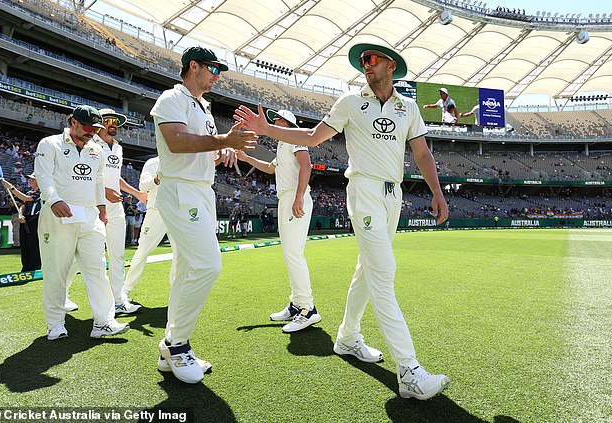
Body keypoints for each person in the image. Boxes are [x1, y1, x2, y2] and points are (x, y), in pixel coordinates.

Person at [234, 42, 450, 400]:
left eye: (373, 59)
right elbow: (311, 137)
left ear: (391, 66)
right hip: (363, 191)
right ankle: (409, 371)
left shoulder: (408, 107)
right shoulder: (351, 102)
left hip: (393, 194)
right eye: (363, 60)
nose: (366, 64)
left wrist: (437, 192)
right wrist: (266, 129)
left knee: (367, 270)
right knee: (383, 273)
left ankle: (348, 338)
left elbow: (423, 153)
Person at [150, 46, 257, 384]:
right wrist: (223, 139)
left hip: (199, 190)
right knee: (207, 264)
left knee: (185, 268)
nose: (217, 76)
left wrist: (221, 148)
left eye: (219, 70)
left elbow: (200, 147)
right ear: (192, 66)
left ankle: (172, 348)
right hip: (182, 190)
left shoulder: (204, 107)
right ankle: (176, 344)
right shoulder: (173, 97)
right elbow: (177, 143)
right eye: (212, 68)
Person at [34, 105, 129, 340]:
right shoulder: (50, 144)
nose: (92, 132)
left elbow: (98, 182)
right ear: (73, 122)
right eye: (88, 127)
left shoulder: (96, 149)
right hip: (59, 215)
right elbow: (43, 175)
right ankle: (55, 324)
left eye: (96, 128)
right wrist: (54, 200)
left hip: (89, 217)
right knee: (56, 271)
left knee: (97, 270)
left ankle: (104, 322)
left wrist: (102, 210)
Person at [237, 109, 320, 332]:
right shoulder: (283, 143)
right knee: (290, 253)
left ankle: (308, 308)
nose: (274, 122)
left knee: (293, 254)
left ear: (289, 124)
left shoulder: (295, 139)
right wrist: (247, 159)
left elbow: (306, 166)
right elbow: (270, 168)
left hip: (294, 196)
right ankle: (297, 304)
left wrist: (299, 196)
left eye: (279, 120)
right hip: (286, 198)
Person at [64, 109, 146, 315]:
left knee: (117, 254)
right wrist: (103, 192)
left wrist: (137, 193)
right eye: (108, 121)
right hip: (92, 205)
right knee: (80, 256)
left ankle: (118, 300)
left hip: (115, 207)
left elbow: (114, 177)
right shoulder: (88, 144)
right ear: (99, 124)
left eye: (116, 122)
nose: (113, 124)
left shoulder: (117, 147)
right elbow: (80, 175)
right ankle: (61, 295)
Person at [121, 156, 167, 301]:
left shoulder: (184, 161)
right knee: (142, 251)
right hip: (157, 210)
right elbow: (143, 187)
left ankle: (178, 295)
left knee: (181, 254)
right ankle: (125, 290)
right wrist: (156, 179)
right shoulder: (154, 162)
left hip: (179, 212)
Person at [1, 174, 42, 271]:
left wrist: (11, 188)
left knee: (34, 244)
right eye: (30, 179)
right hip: (25, 219)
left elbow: (26, 199)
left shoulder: (42, 192)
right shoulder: (29, 192)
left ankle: (35, 267)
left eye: (33, 179)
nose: (30, 181)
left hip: (36, 219)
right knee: (24, 244)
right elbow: (23, 205)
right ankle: (26, 266)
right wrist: (20, 214)